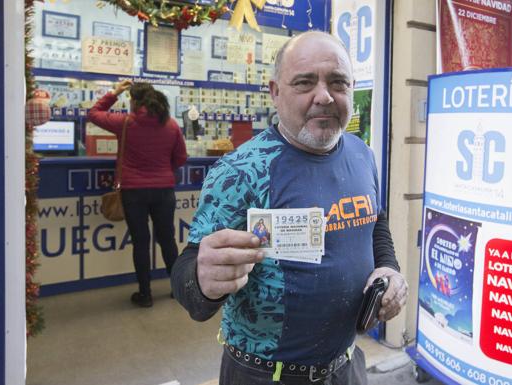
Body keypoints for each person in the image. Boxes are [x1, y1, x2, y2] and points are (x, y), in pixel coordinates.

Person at [171, 31, 408, 384]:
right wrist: (203, 281)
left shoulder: (362, 154)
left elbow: (376, 223)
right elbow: (189, 277)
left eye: (338, 83)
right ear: (274, 91)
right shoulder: (239, 171)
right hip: (264, 375)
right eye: (304, 82)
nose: (324, 96)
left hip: (346, 366)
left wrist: (388, 269)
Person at [89, 80, 187, 307]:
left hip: (134, 192)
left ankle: (145, 294)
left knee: (141, 243)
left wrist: (114, 93)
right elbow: (181, 158)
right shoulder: (171, 125)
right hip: (164, 191)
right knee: (167, 239)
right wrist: (163, 168)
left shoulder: (125, 123)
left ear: (134, 101)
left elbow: (94, 113)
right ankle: (177, 289)